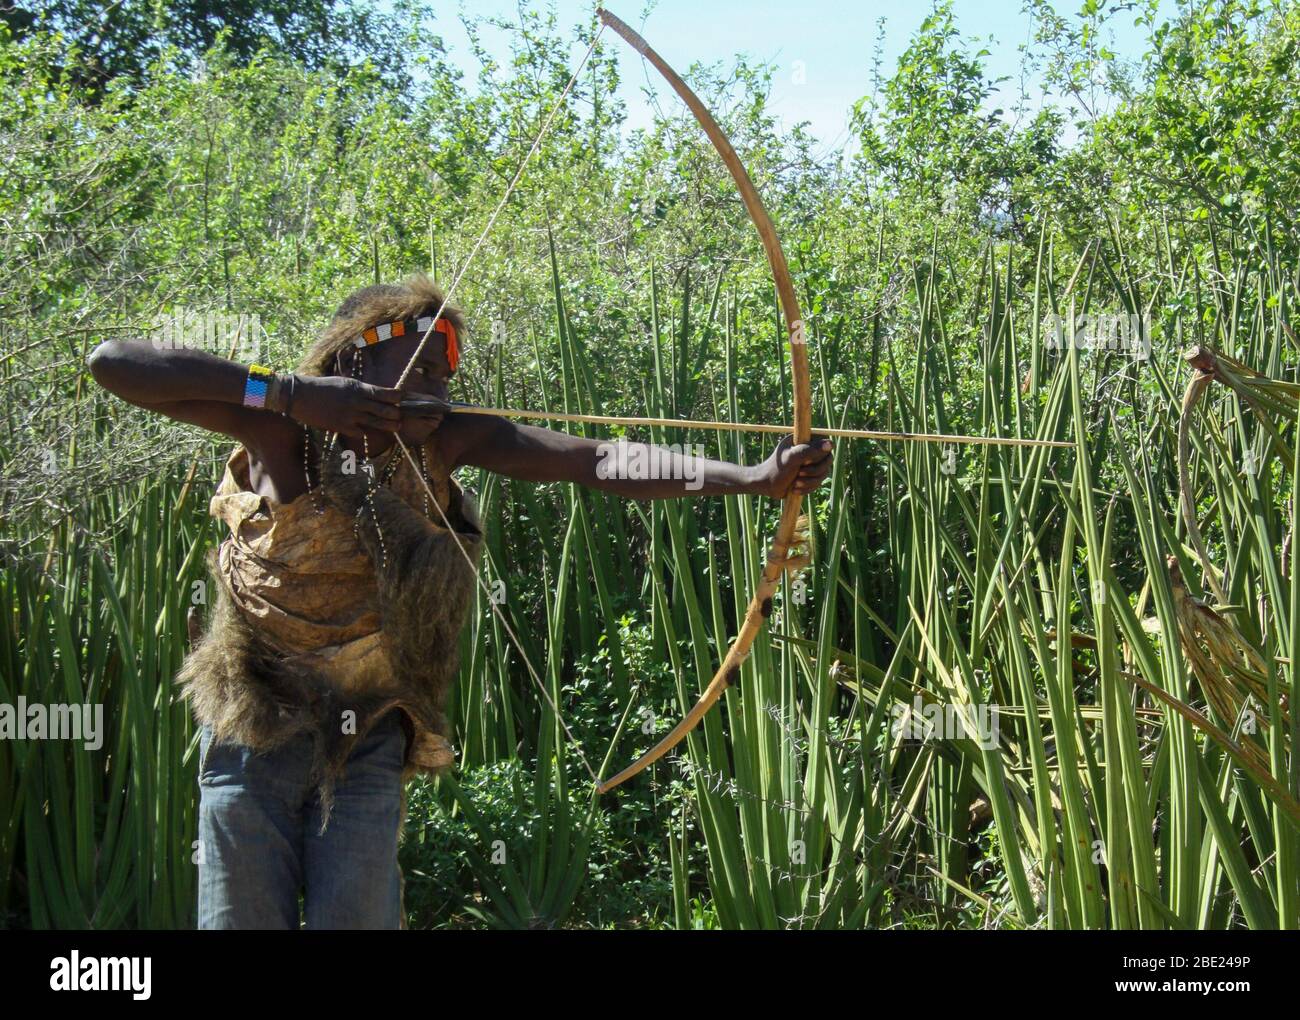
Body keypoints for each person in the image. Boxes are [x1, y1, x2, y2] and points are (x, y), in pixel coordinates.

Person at [87, 272, 833, 929]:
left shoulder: (449, 440)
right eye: (421, 368)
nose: (440, 390)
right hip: (254, 728)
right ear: (353, 362)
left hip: (371, 730)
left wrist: (751, 477)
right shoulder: (281, 431)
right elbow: (114, 363)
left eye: (448, 374)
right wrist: (289, 391)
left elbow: (598, 459)